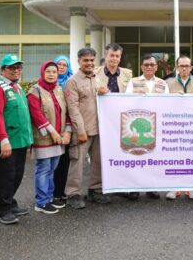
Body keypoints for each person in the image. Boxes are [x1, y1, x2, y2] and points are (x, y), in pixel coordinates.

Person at [0, 54, 34, 225]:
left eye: (18, 67)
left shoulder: (18, 88)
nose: (16, 70)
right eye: (11, 68)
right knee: (5, 177)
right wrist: (2, 139)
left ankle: (10, 202)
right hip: (6, 143)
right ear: (2, 70)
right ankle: (2, 209)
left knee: (17, 175)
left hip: (20, 141)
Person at [27, 61, 71, 214]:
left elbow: (66, 112)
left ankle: (49, 197)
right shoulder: (35, 90)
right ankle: (41, 201)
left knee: (52, 168)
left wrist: (67, 132)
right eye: (48, 71)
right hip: (45, 137)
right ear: (42, 73)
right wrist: (53, 132)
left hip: (59, 137)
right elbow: (36, 115)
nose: (51, 74)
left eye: (54, 72)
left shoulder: (59, 89)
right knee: (44, 168)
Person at [65, 48, 106, 209]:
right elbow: (73, 109)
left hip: (99, 129)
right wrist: (80, 130)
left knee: (98, 161)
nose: (89, 63)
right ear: (79, 61)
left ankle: (95, 189)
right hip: (82, 130)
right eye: (85, 60)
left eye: (91, 60)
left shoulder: (98, 79)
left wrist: (105, 91)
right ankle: (73, 193)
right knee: (77, 162)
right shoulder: (72, 81)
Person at [126, 54, 169, 200]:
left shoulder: (163, 83)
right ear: (141, 67)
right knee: (137, 157)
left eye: (152, 64)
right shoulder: (133, 82)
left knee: (153, 158)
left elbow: (168, 104)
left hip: (156, 126)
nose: (149, 67)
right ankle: (134, 188)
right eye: (146, 64)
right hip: (138, 125)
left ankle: (151, 187)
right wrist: (133, 94)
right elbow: (124, 102)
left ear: (156, 67)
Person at [94, 43, 134, 199]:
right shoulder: (95, 73)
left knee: (121, 153)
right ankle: (98, 187)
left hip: (120, 122)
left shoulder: (128, 74)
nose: (114, 59)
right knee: (100, 154)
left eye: (117, 56)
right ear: (106, 55)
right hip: (101, 121)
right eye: (112, 55)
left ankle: (121, 185)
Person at [166, 55, 193, 200]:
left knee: (192, 158)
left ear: (191, 67)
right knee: (173, 158)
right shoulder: (168, 84)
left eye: (186, 66)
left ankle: (191, 187)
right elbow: (162, 104)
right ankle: (173, 188)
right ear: (176, 67)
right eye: (181, 66)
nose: (184, 68)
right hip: (173, 127)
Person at [52, 55, 74, 204]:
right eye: (58, 64)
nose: (61, 67)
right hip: (52, 127)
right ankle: (52, 191)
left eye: (64, 65)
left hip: (67, 127)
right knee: (51, 161)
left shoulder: (71, 82)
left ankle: (62, 190)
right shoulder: (48, 82)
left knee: (65, 161)